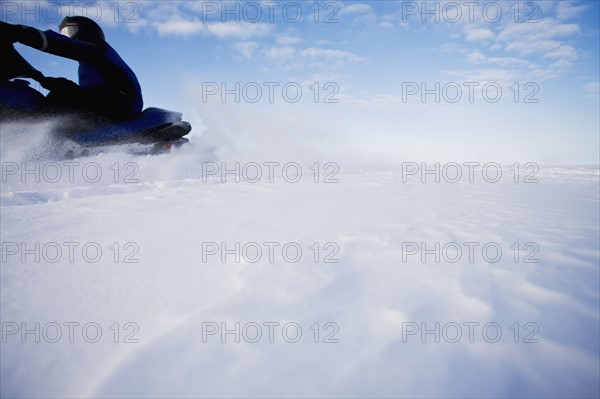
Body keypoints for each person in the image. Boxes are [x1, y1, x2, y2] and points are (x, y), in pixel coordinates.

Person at [1, 17, 143, 119]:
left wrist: (18, 32)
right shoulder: (91, 62)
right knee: (62, 89)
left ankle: (49, 137)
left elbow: (64, 45)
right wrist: (44, 79)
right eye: (63, 34)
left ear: (86, 30)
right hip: (109, 98)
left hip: (123, 101)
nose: (66, 37)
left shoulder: (98, 47)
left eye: (69, 31)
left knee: (59, 97)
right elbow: (85, 93)